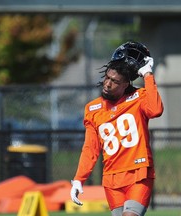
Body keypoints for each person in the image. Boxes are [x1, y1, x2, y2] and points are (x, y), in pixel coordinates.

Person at [70, 41, 164, 216]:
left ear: (125, 84)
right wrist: (79, 179)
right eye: (107, 77)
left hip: (138, 173)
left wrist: (148, 75)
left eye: (114, 81)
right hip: (112, 178)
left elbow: (156, 110)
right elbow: (90, 148)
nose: (107, 84)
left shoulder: (139, 97)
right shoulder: (92, 109)